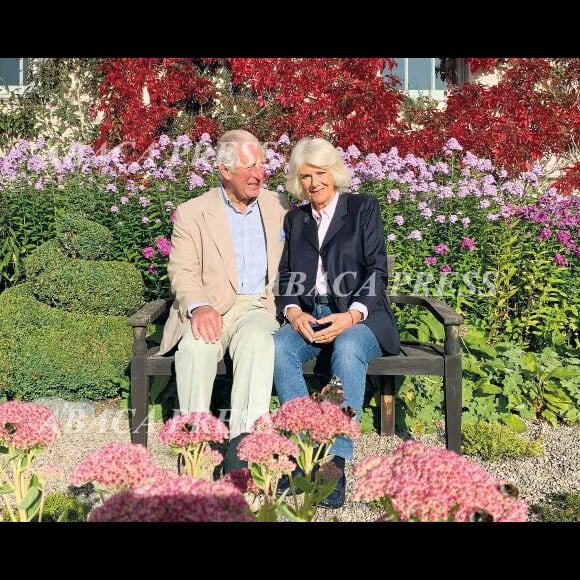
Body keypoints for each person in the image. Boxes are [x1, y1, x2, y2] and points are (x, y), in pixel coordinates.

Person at [274, 137, 400, 508]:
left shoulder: (362, 208)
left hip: (360, 315)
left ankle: (334, 462)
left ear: (334, 172)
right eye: (306, 176)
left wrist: (350, 315)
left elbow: (377, 270)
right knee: (278, 346)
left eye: (321, 173)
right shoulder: (295, 218)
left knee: (347, 346)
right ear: (299, 183)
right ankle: (303, 454)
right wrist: (293, 311)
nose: (314, 183)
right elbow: (285, 277)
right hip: (311, 313)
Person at [158, 129, 290, 473]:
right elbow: (182, 271)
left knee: (259, 343)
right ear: (225, 170)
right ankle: (195, 449)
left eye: (262, 164)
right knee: (195, 349)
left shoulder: (280, 206)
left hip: (257, 306)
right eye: (249, 166)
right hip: (210, 307)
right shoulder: (193, 212)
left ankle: (243, 450)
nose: (259, 173)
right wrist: (199, 305)